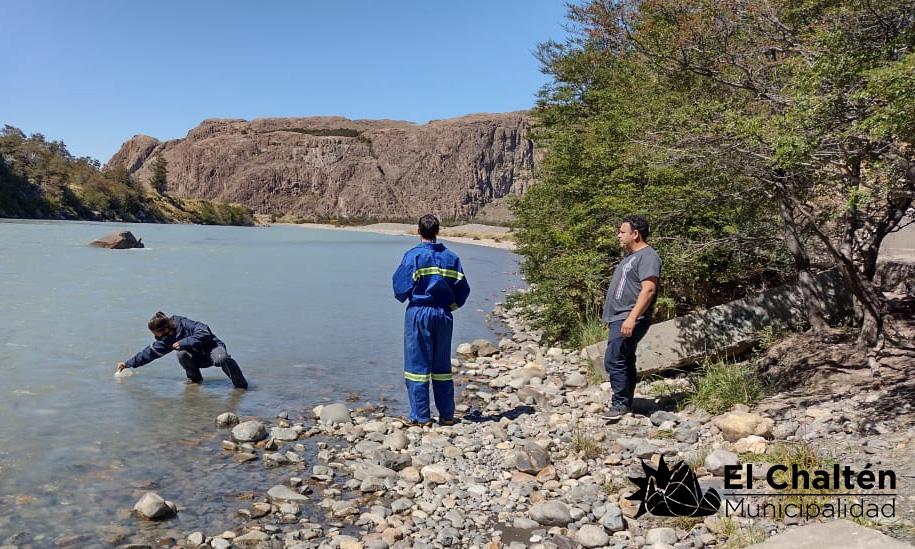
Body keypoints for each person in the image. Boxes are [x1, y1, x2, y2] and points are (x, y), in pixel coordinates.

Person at [392, 214, 470, 427]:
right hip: (444, 315)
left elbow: (399, 288)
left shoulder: (413, 256)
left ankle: (421, 417)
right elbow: (463, 290)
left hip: (419, 313)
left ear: (418, 231)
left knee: (417, 365)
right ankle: (446, 415)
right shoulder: (452, 257)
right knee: (441, 366)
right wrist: (449, 307)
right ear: (438, 231)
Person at [602, 215, 661, 418]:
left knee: (615, 358)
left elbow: (649, 289)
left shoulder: (648, 256)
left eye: (622, 232)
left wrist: (631, 318)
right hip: (620, 316)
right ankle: (625, 401)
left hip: (629, 316)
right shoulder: (631, 257)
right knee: (624, 357)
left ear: (635, 234)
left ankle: (620, 403)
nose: (618, 235)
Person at [116, 312, 248, 389]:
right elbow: (149, 354)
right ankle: (195, 381)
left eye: (156, 334)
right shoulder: (166, 340)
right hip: (198, 358)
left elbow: (205, 331)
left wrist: (184, 342)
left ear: (165, 329)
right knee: (181, 354)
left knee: (221, 359)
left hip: (213, 348)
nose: (156, 337)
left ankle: (241, 387)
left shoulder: (184, 323)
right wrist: (128, 364)